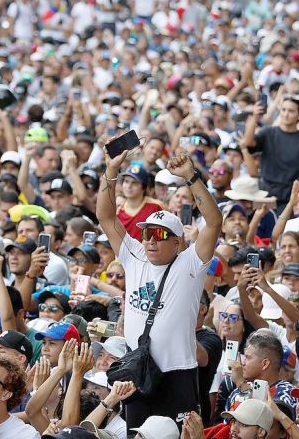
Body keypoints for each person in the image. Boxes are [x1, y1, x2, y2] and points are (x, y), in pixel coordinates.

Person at [96, 149, 221, 429]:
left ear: (178, 242)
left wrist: (191, 176)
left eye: (160, 235)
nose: (151, 241)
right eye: (146, 233)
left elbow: (214, 222)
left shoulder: (190, 263)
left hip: (177, 375)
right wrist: (111, 169)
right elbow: (105, 216)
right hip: (137, 372)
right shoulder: (135, 255)